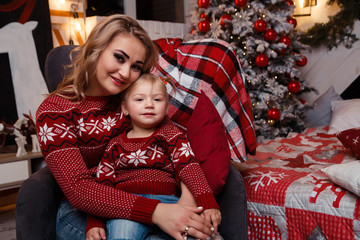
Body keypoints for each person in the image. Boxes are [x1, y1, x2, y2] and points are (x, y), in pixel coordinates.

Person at [36, 14, 215, 240]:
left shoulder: (135, 100)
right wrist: (158, 213)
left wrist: (187, 202)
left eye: (136, 67)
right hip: (85, 213)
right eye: (119, 58)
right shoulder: (54, 110)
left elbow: (175, 145)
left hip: (153, 198)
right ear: (96, 49)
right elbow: (78, 189)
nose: (125, 73)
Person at [85, 74, 222, 240]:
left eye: (157, 100)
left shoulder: (171, 135)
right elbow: (103, 183)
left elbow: (188, 165)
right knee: (122, 235)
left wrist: (207, 200)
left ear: (166, 108)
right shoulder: (115, 144)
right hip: (128, 208)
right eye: (139, 100)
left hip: (169, 204)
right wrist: (95, 222)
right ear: (125, 108)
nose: (149, 105)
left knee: (198, 233)